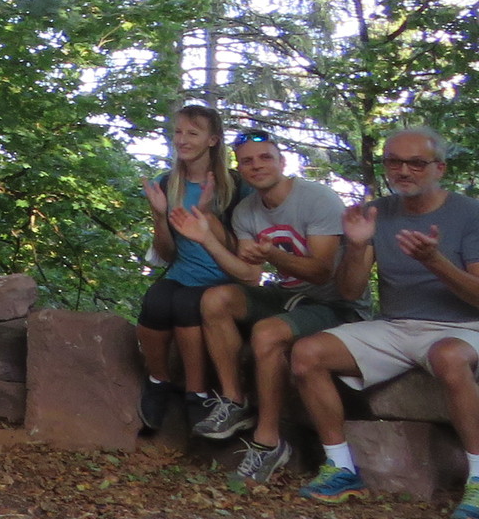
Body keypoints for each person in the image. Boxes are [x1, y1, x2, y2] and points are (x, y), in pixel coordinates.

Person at [288, 126, 479, 517]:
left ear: (439, 168)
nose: (403, 171)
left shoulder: (470, 214)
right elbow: (349, 290)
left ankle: (478, 477)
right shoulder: (377, 212)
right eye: (394, 162)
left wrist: (435, 261)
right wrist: (356, 246)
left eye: (416, 163)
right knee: (307, 353)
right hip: (395, 326)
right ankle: (340, 469)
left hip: (462, 327)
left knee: (448, 357)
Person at [176, 130, 352, 482]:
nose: (256, 165)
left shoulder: (318, 199)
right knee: (215, 299)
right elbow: (248, 275)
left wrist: (273, 254)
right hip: (287, 296)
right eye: (247, 161)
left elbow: (323, 272)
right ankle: (234, 401)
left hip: (335, 304)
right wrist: (207, 239)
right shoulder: (246, 212)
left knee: (267, 333)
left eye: (265, 157)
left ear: (282, 161)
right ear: (240, 169)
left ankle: (268, 440)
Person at [134, 104, 239, 435]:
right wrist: (158, 216)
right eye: (178, 132)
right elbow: (166, 253)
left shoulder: (234, 186)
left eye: (192, 133)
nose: (182, 139)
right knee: (156, 301)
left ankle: (197, 392)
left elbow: (239, 250)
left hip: (223, 280)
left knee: (186, 304)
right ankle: (158, 380)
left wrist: (207, 214)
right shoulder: (167, 184)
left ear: (213, 140)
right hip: (181, 274)